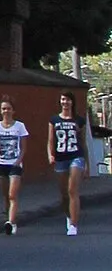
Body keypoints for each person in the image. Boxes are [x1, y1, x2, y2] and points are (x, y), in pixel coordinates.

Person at [48, 87, 87, 235]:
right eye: (63, 99)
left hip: (76, 156)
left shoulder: (79, 121)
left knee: (72, 190)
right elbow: (50, 140)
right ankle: (68, 216)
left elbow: (83, 143)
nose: (65, 102)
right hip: (60, 157)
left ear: (72, 102)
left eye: (68, 99)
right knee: (64, 193)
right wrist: (50, 154)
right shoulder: (54, 120)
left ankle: (74, 225)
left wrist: (86, 163)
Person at [0, 96, 29, 232]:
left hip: (15, 164)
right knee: (6, 195)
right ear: (0, 111)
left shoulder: (19, 126)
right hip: (1, 163)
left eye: (8, 109)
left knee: (12, 194)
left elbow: (23, 147)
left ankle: (11, 222)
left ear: (13, 111)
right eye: (3, 109)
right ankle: (10, 220)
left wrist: (18, 161)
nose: (6, 111)